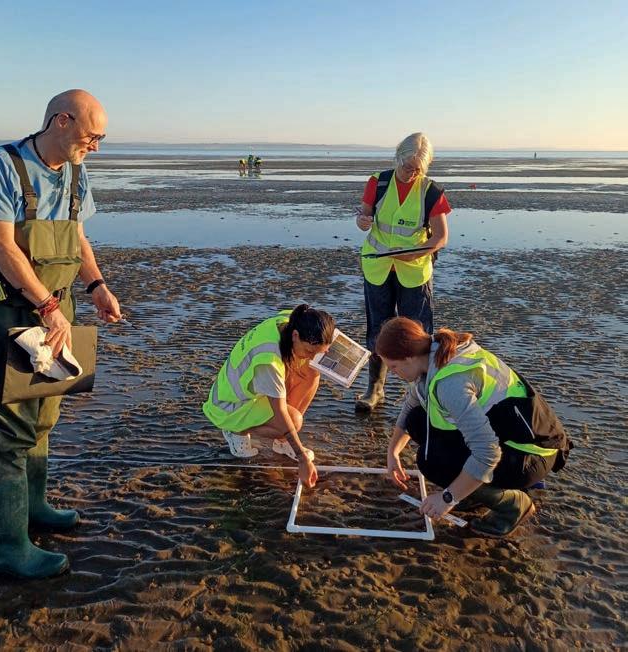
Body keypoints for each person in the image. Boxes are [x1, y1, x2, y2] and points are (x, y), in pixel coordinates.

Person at [0, 89, 122, 578]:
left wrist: (96, 286)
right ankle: (9, 549)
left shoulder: (75, 172)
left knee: (44, 419)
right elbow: (1, 247)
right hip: (6, 316)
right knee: (10, 433)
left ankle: (34, 508)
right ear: (61, 120)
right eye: (91, 136)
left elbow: (77, 237)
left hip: (57, 315)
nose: (95, 147)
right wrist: (48, 306)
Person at [377, 317, 572, 537]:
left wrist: (447, 498)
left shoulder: (451, 384)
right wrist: (393, 452)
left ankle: (514, 505)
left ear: (409, 357)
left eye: (393, 367)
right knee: (417, 420)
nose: (392, 373)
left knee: (431, 461)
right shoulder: (434, 353)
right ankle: (470, 490)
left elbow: (487, 452)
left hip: (531, 456)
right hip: (511, 437)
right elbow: (413, 402)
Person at [355, 132, 450, 412]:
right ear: (397, 158)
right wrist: (362, 221)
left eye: (418, 169)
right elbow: (363, 216)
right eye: (408, 167)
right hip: (378, 267)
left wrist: (415, 254)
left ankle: (423, 393)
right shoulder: (378, 182)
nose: (412, 173)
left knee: (418, 333)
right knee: (378, 329)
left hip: (414, 271)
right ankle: (375, 389)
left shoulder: (431, 191)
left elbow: (441, 237)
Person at [202, 304, 335, 489]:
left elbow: (323, 332)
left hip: (251, 390)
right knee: (294, 420)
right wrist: (302, 458)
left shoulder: (292, 320)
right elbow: (279, 412)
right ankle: (235, 431)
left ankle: (282, 442)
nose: (311, 356)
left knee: (312, 369)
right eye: (309, 351)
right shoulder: (268, 360)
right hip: (229, 404)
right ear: (295, 335)